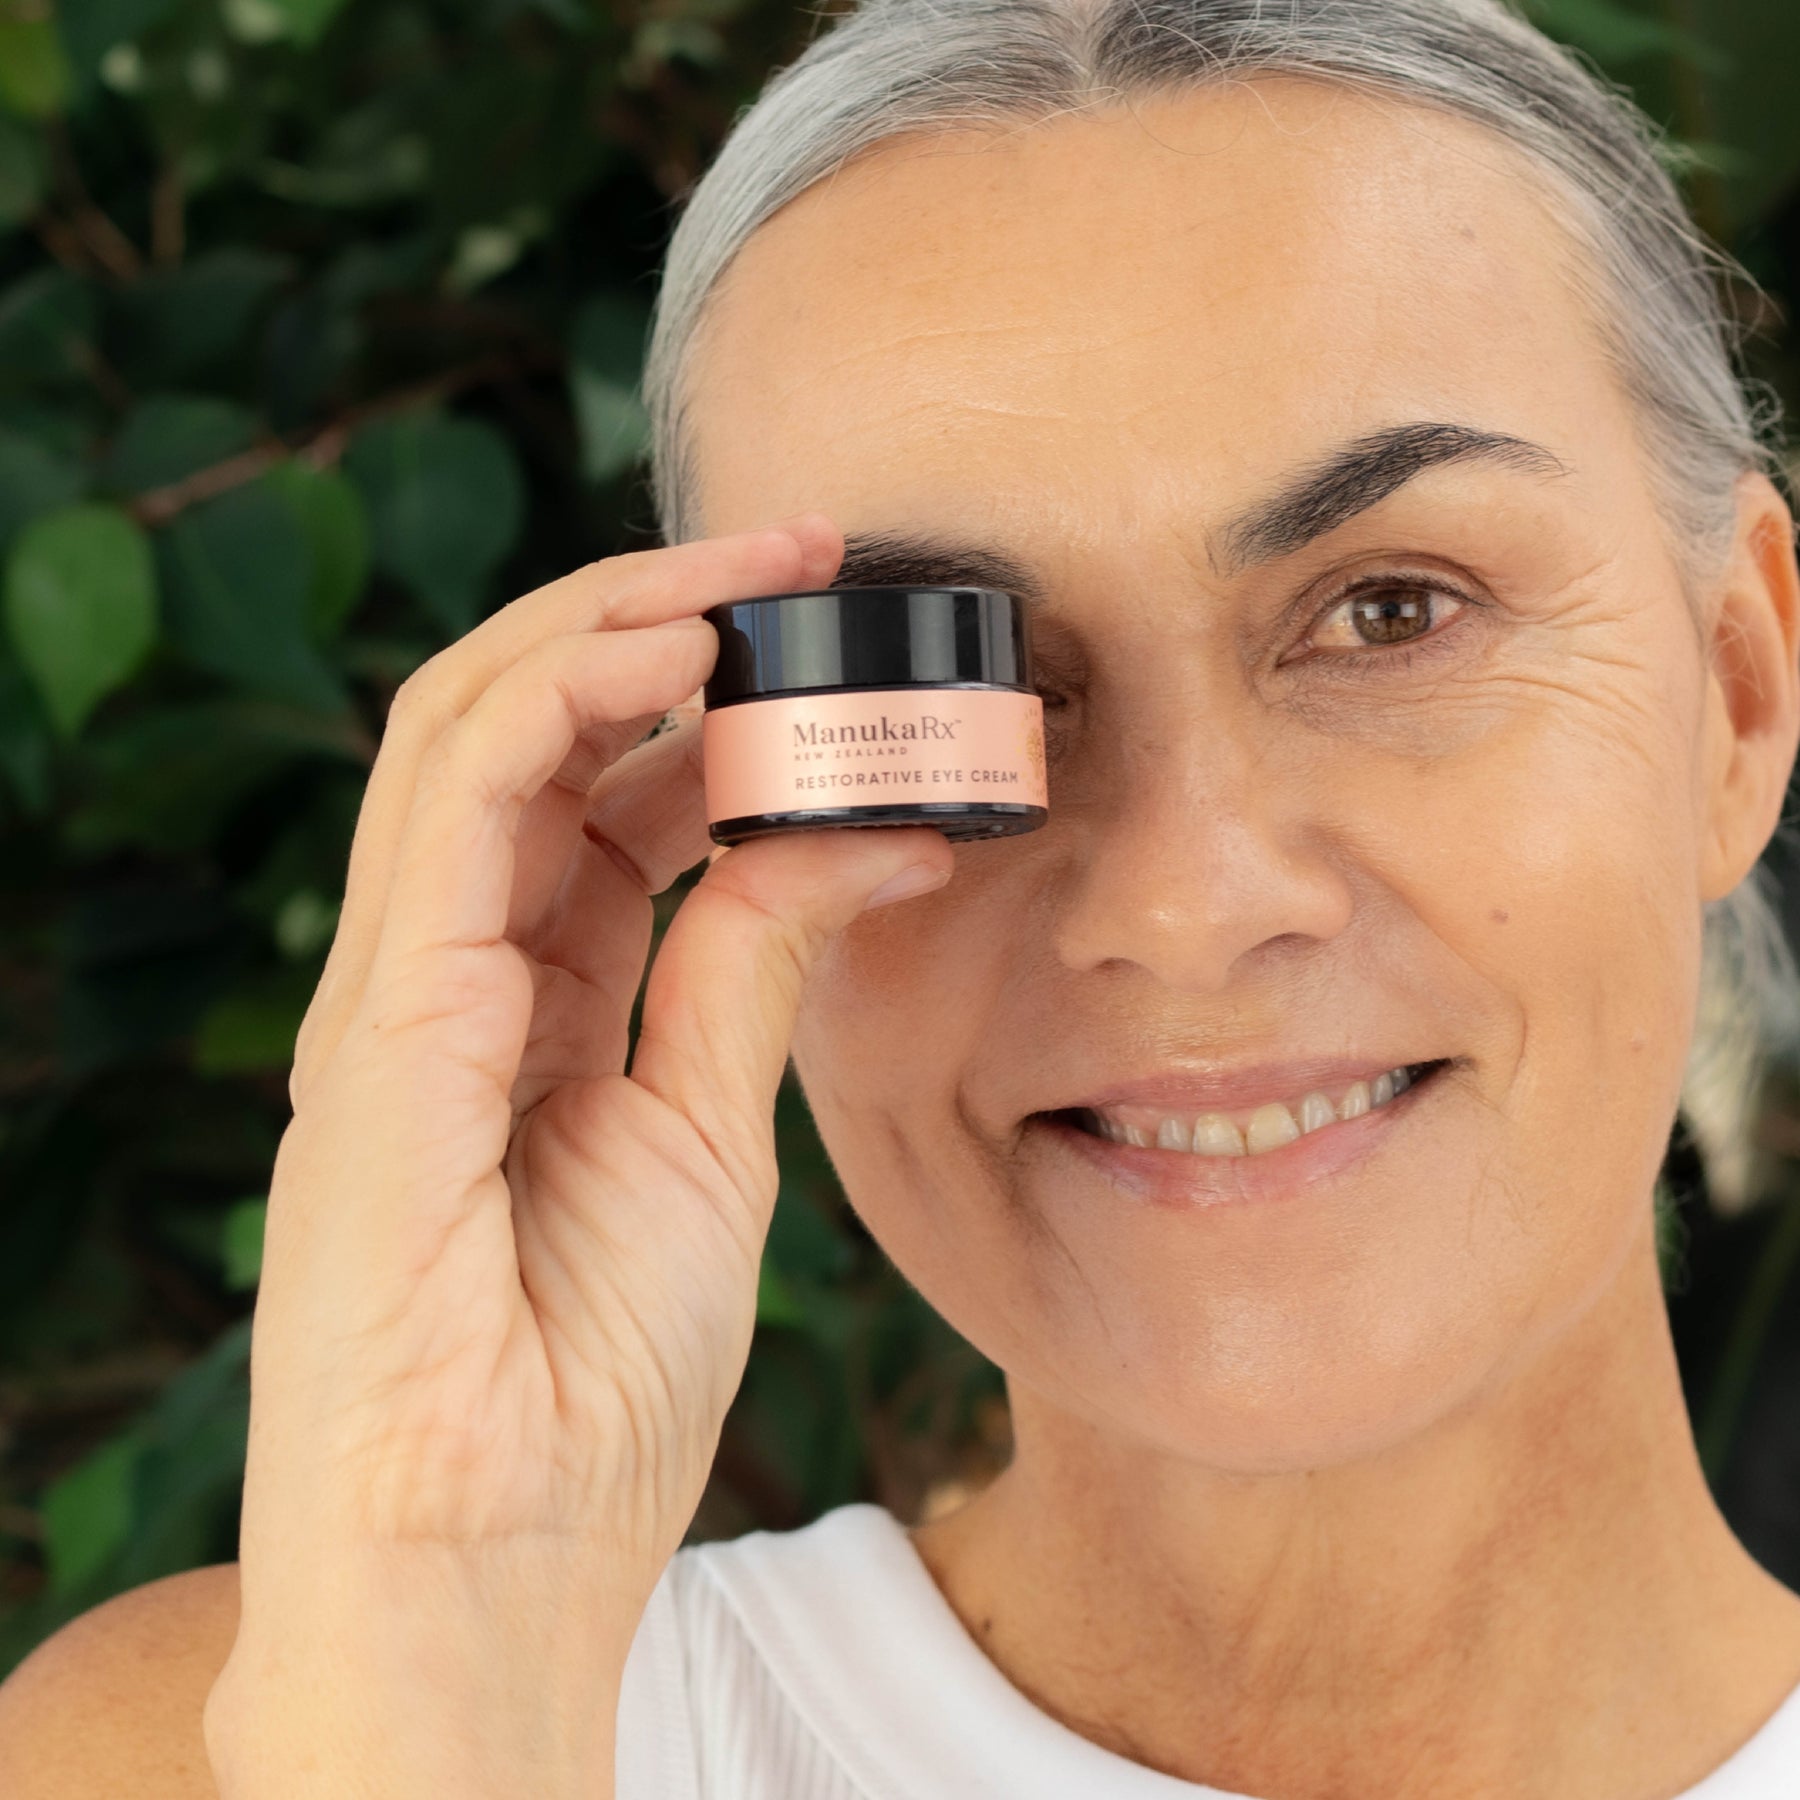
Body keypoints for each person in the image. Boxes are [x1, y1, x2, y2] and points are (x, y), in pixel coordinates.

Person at [5, 1, 1800, 1794]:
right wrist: (434, 1687)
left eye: (1392, 612)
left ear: (1736, 696)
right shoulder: (229, 1752)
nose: (1183, 899)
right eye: (935, 692)